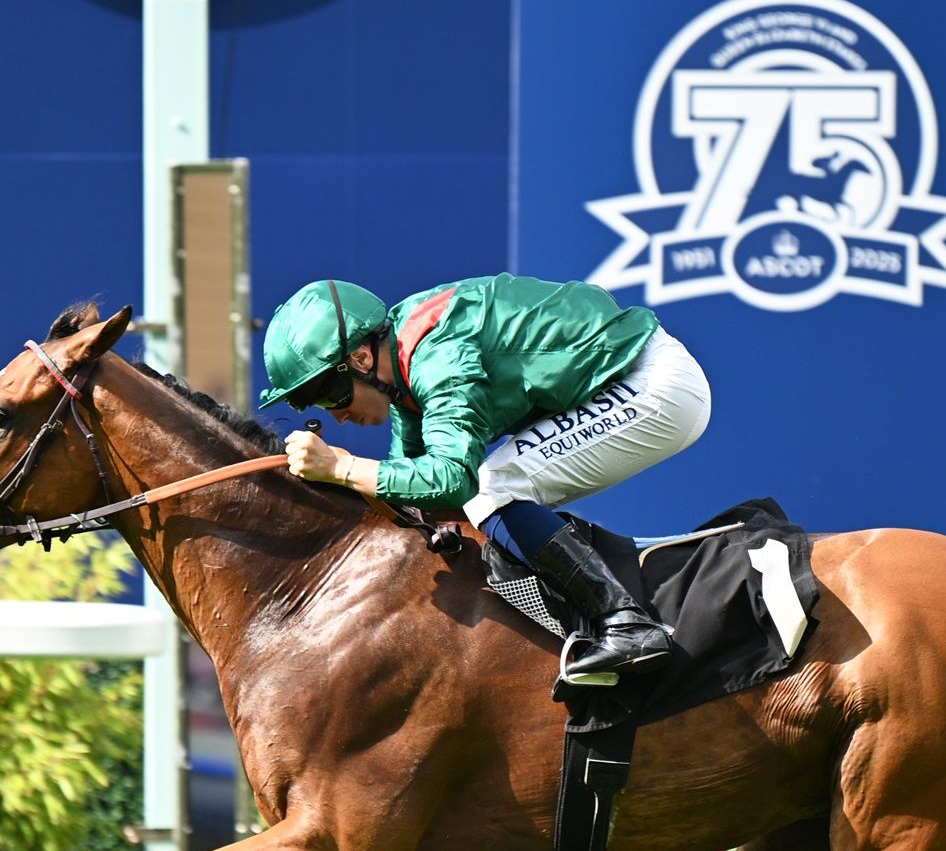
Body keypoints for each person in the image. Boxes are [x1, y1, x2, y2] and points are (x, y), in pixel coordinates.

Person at [258, 274, 711, 687]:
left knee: (492, 485)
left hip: (653, 385)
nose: (337, 414)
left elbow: (453, 480)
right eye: (316, 404)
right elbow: (412, 492)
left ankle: (627, 626)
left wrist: (342, 468)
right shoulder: (405, 363)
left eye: (331, 393)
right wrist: (340, 482)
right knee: (489, 487)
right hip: (632, 378)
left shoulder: (438, 356)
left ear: (360, 358)